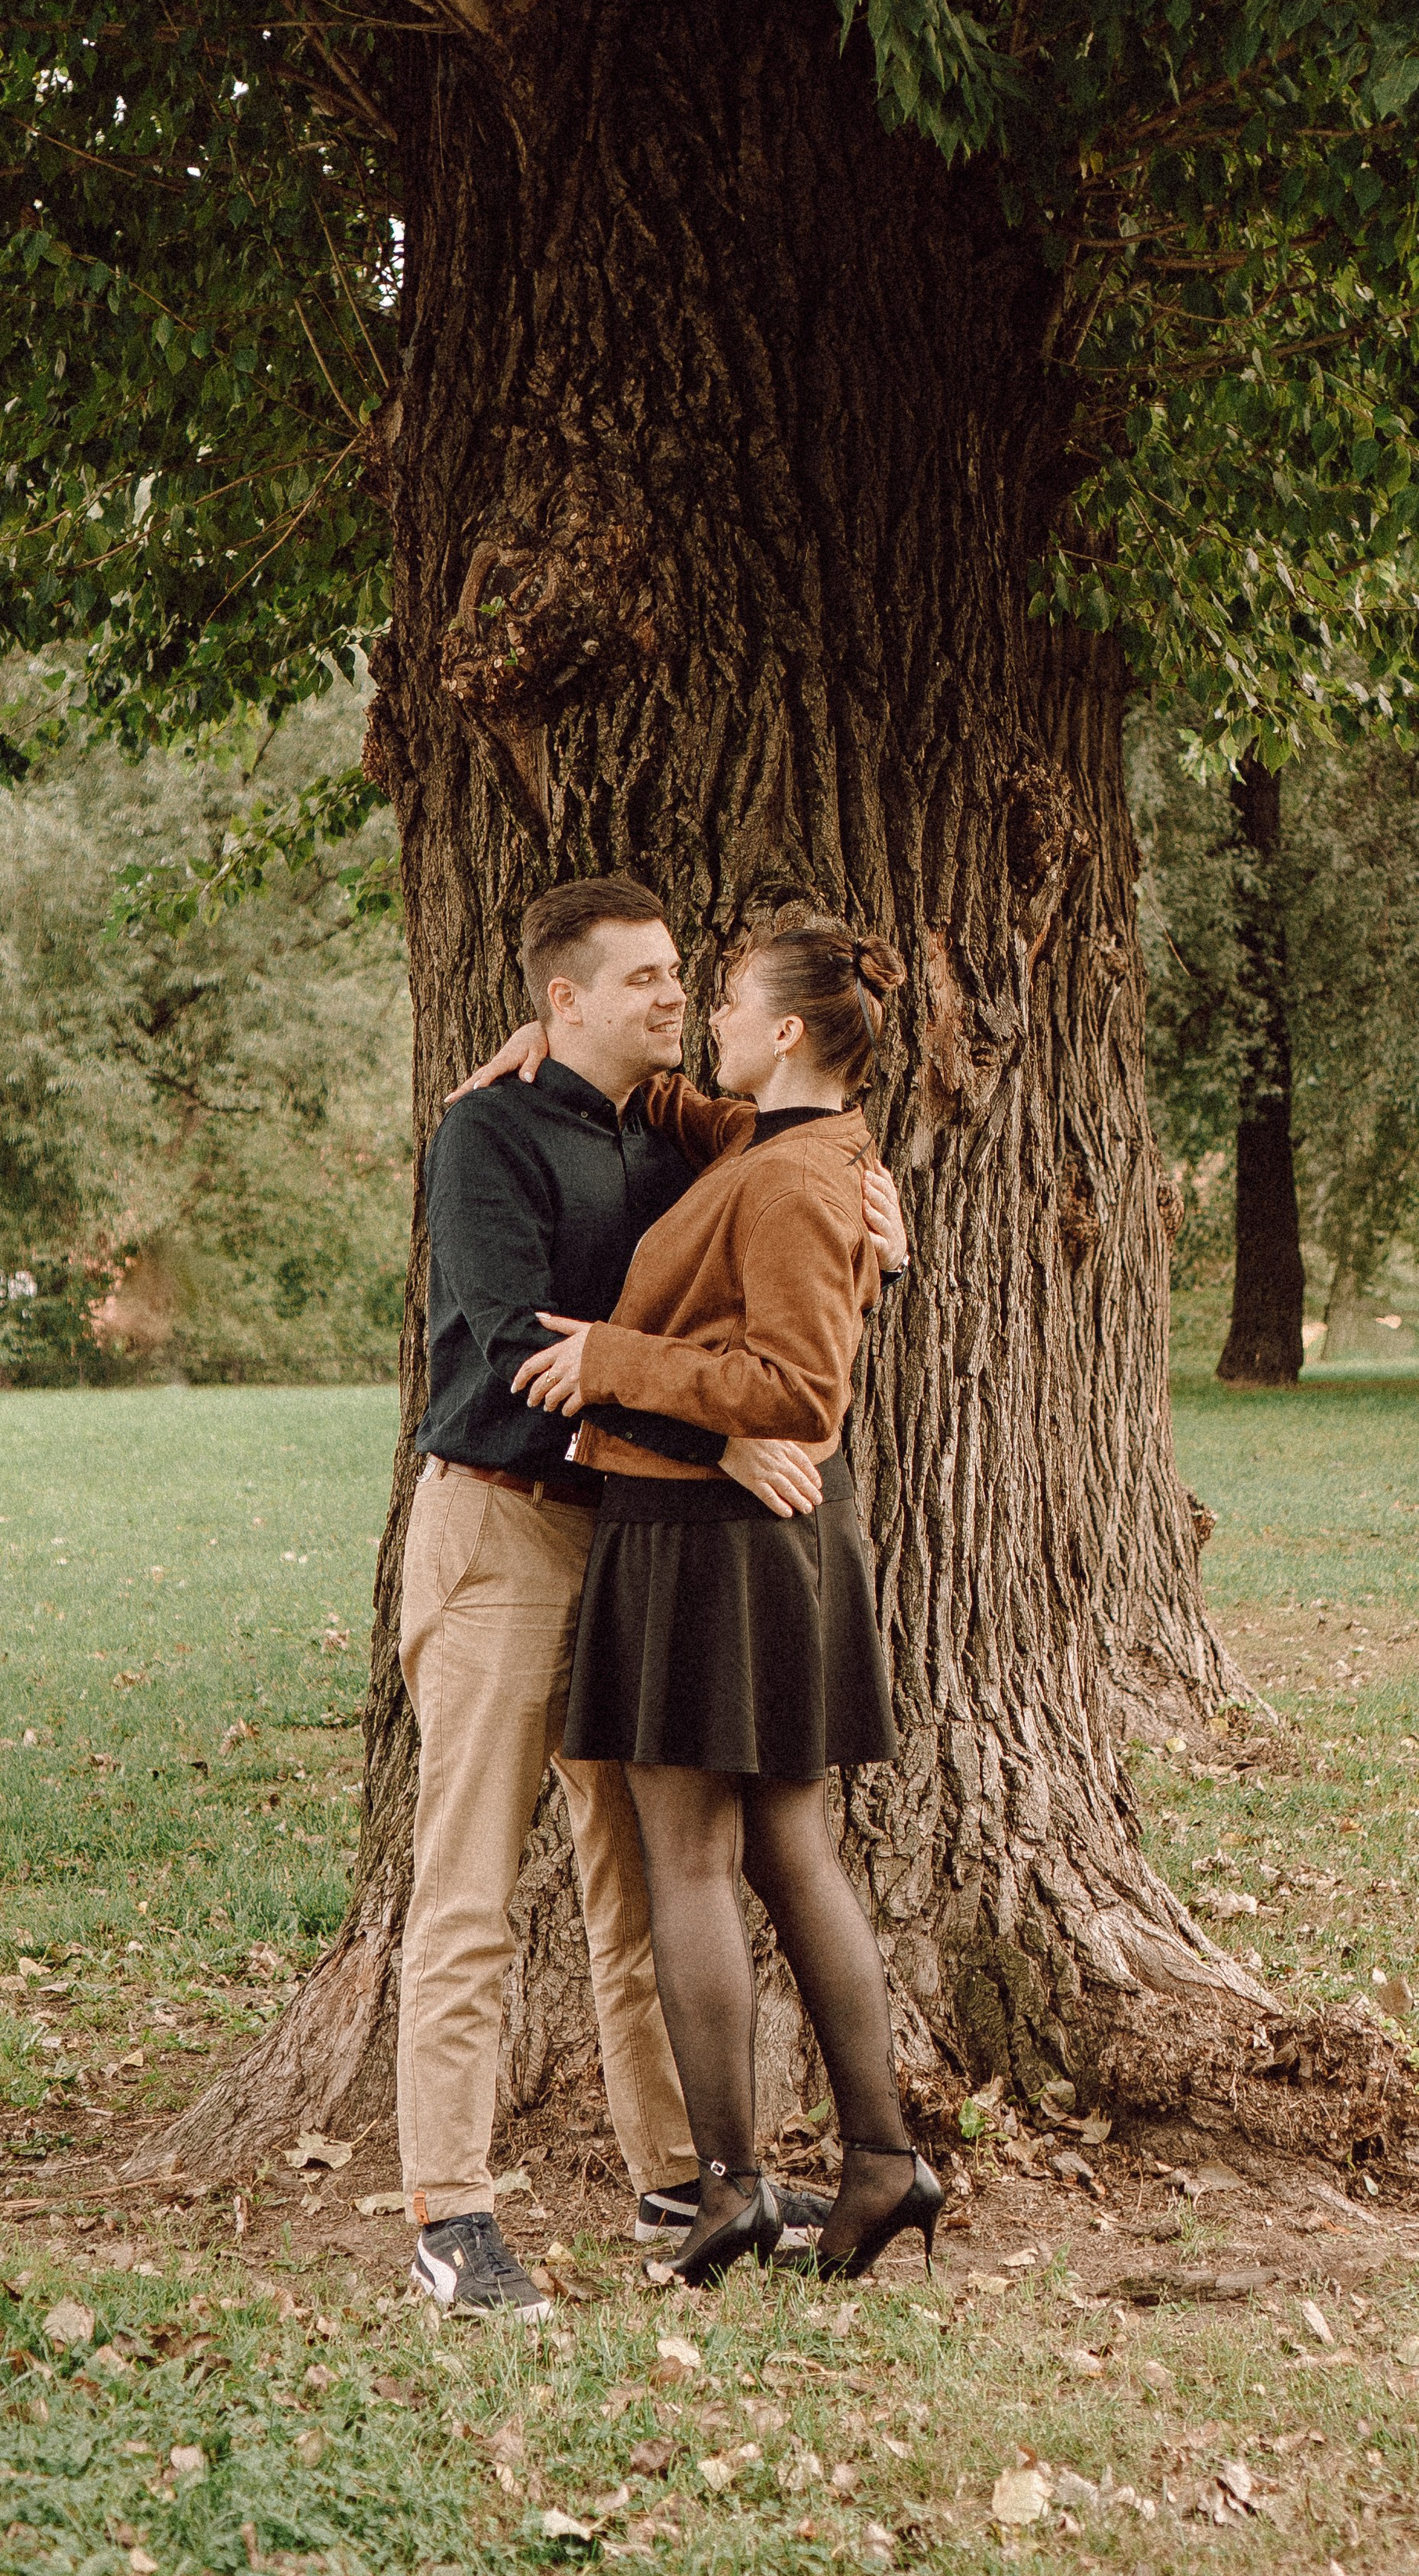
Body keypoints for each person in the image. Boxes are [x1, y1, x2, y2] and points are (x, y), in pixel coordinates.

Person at [402, 874, 908, 2320]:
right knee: (470, 1888)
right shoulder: (487, 1134)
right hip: (504, 1536)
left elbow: (801, 1195)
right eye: (645, 979)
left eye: (686, 975)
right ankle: (450, 2213)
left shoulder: (690, 1132)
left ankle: (682, 2179)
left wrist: (879, 1216)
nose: (677, 996)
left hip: (636, 1547)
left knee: (640, 1882)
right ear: (563, 1002)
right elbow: (516, 1345)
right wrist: (718, 1438)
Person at [512, 915, 942, 2288]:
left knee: (697, 1858)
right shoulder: (782, 1143)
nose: (711, 1022)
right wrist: (542, 1041)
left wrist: (615, 1359)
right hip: (738, 1540)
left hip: (712, 1541)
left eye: (733, 1004)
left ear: (790, 1032)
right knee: (785, 1849)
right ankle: (879, 2164)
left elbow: (799, 1395)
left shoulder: (802, 1177)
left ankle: (737, 2190)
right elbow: (691, 1110)